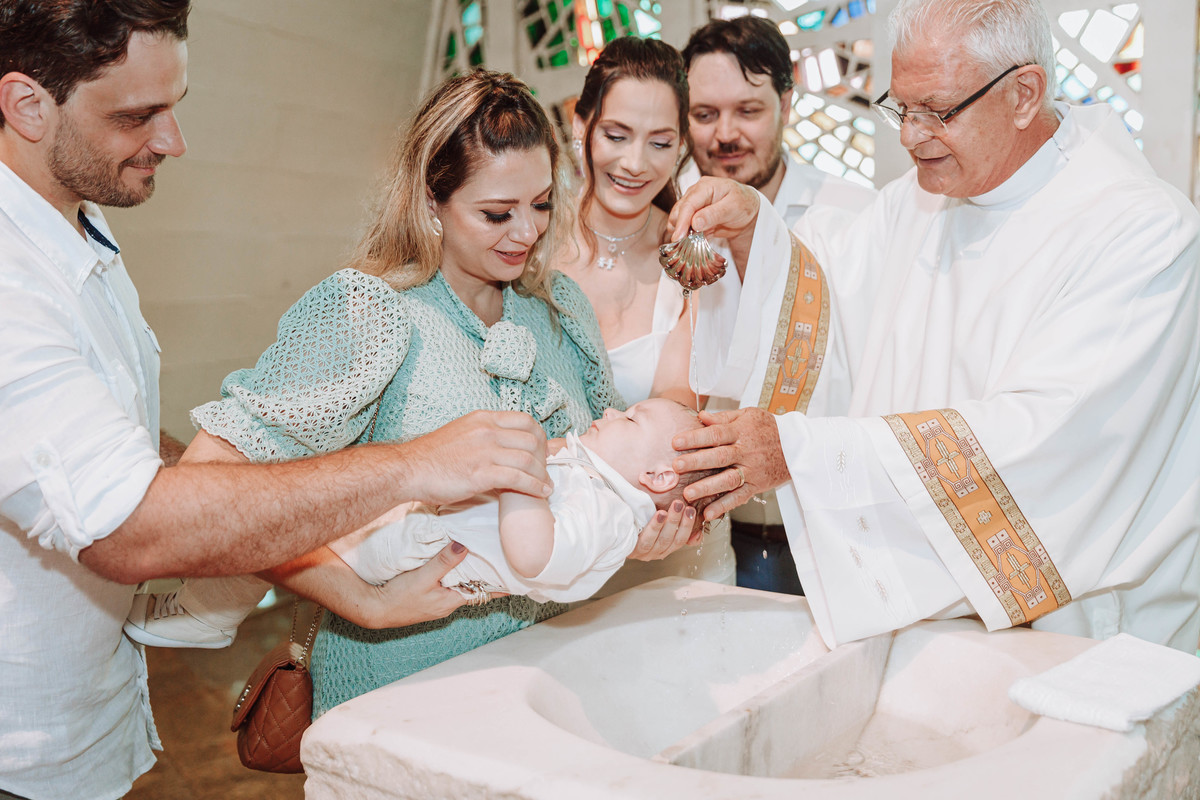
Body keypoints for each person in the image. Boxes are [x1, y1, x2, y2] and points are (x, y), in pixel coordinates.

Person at [0, 4, 567, 799]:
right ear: (27, 104)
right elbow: (131, 528)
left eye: (176, 106)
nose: (173, 141)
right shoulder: (10, 279)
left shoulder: (79, 233)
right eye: (138, 115)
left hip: (89, 723)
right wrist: (411, 468)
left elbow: (152, 467)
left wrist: (361, 592)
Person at [125, 68, 694, 719]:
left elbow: (596, 473)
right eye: (495, 213)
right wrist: (358, 598)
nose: (527, 233)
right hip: (404, 684)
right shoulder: (370, 311)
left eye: (541, 204)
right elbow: (210, 488)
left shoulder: (558, 308)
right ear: (432, 200)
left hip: (550, 681)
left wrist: (633, 525)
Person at [668, 0, 1200, 653]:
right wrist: (755, 237)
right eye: (901, 107)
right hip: (924, 640)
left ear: (1024, 94)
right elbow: (823, 305)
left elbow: (1046, 443)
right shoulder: (914, 202)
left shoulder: (1140, 234)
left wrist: (803, 452)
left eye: (937, 111)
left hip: (1084, 644)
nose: (910, 136)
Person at [127, 399, 718, 650]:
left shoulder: (608, 512)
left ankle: (205, 611)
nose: (612, 410)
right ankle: (209, 606)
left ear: (660, 478)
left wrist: (522, 474)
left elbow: (534, 554)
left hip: (415, 548)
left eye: (631, 417)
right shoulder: (605, 487)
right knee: (292, 511)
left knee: (290, 512)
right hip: (424, 529)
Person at [679, 15, 876, 595]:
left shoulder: (852, 216)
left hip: (827, 523)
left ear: (787, 103)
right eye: (705, 114)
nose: (725, 135)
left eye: (749, 110)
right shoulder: (666, 222)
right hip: (707, 529)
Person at [559, 36, 733, 591]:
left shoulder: (694, 261)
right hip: (542, 553)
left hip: (666, 544)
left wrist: (645, 508)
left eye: (660, 143)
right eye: (615, 135)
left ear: (682, 145)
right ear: (578, 124)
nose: (635, 164)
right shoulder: (525, 248)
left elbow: (677, 410)